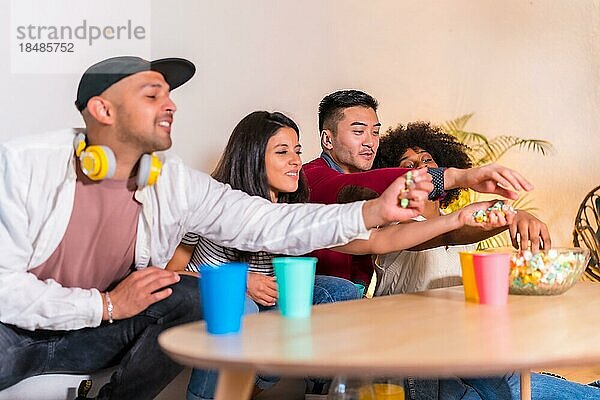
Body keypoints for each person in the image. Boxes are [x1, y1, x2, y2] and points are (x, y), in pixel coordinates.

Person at [0, 57, 446, 400]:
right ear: (102, 109)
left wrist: (371, 211)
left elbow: (268, 222)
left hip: (98, 330)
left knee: (193, 299)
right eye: (151, 95)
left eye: (169, 95)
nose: (170, 104)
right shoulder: (24, 169)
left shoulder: (171, 182)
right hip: (16, 330)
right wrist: (107, 305)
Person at [166, 111, 512, 400]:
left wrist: (457, 218)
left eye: (297, 151)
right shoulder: (213, 205)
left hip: (273, 303)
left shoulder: (295, 211)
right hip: (217, 302)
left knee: (342, 294)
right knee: (246, 307)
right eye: (282, 152)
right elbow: (173, 276)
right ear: (253, 156)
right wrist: (244, 281)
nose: (296, 162)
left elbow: (379, 241)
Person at [303, 89, 550, 292]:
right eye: (358, 132)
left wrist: (510, 213)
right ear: (328, 140)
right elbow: (354, 190)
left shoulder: (373, 199)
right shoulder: (311, 177)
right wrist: (457, 176)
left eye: (375, 132)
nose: (370, 141)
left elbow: (376, 238)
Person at [371, 121, 551, 295]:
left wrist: (516, 214)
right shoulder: (391, 224)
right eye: (408, 166)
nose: (422, 166)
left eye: (427, 159)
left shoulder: (462, 223)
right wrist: (509, 215)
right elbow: (447, 234)